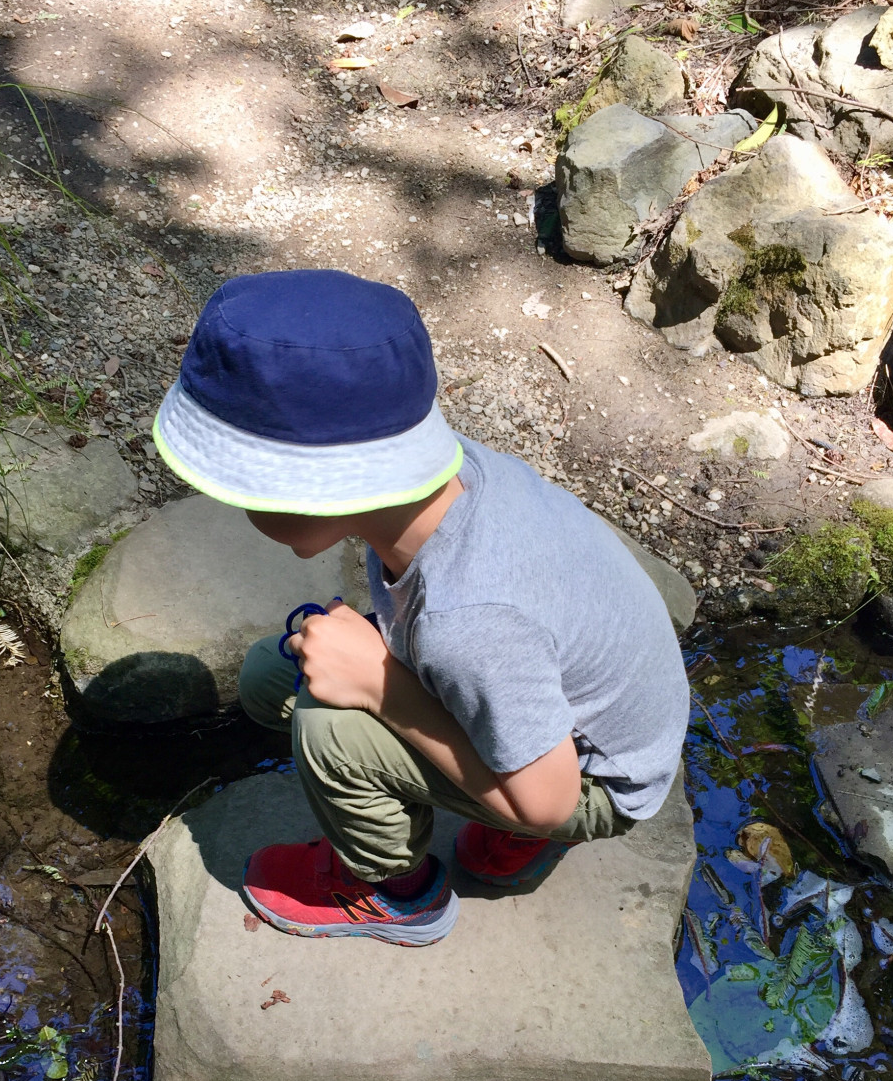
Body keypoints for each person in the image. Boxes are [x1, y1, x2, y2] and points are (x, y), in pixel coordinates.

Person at [153, 269, 689, 947]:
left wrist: (380, 688)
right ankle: (499, 789)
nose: (229, 504)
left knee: (328, 727)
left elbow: (547, 800)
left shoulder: (469, 619)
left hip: (587, 779)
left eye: (238, 486)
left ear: (311, 491)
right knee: (272, 675)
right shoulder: (447, 482)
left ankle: (396, 893)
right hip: (558, 699)